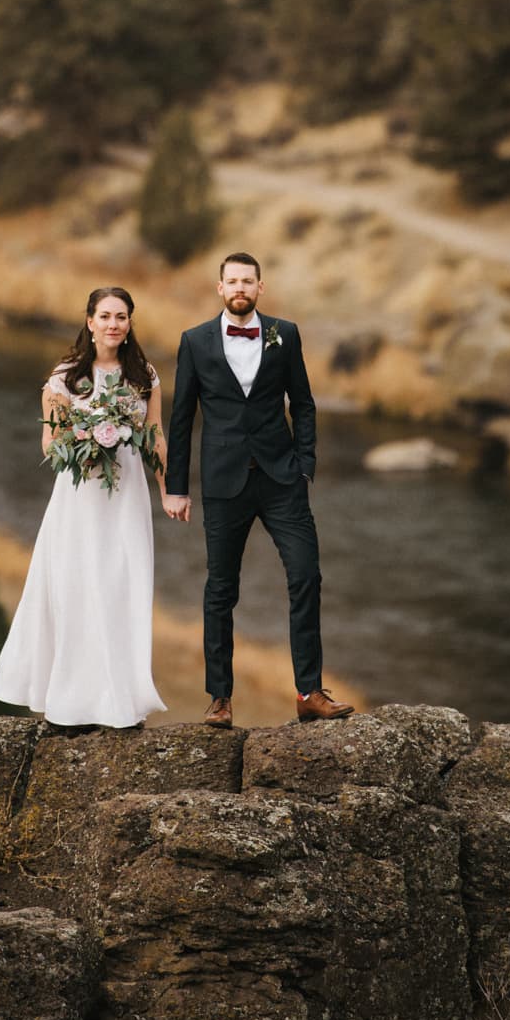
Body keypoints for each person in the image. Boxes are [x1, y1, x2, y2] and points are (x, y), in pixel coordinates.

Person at [165, 251, 353, 728]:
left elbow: (304, 403)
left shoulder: (284, 334)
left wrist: (305, 464)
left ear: (260, 288)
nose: (241, 288)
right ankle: (220, 699)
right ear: (220, 288)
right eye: (233, 281)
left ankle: (309, 691)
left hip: (281, 479)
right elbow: (182, 419)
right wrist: (176, 487)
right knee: (221, 589)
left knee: (306, 575)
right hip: (223, 482)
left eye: (248, 281)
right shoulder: (195, 342)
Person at [0, 286, 180, 729]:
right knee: (78, 586)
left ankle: (122, 701)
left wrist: (168, 490)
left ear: (130, 323)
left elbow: (155, 437)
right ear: (90, 322)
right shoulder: (65, 379)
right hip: (80, 499)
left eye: (122, 316)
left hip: (127, 496)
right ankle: (71, 703)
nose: (114, 324)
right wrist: (85, 437)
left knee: (123, 585)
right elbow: (50, 445)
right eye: (106, 316)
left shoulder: (144, 377)